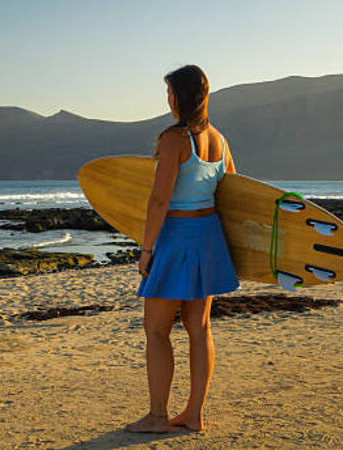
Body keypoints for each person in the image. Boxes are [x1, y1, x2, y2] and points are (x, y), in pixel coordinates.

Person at [125, 65, 240, 433]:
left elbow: (159, 201)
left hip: (176, 238)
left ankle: (158, 416)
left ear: (181, 96)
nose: (168, 101)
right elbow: (234, 194)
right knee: (199, 327)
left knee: (157, 330)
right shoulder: (220, 141)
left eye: (170, 93)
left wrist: (146, 250)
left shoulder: (175, 139)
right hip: (208, 238)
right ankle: (193, 414)